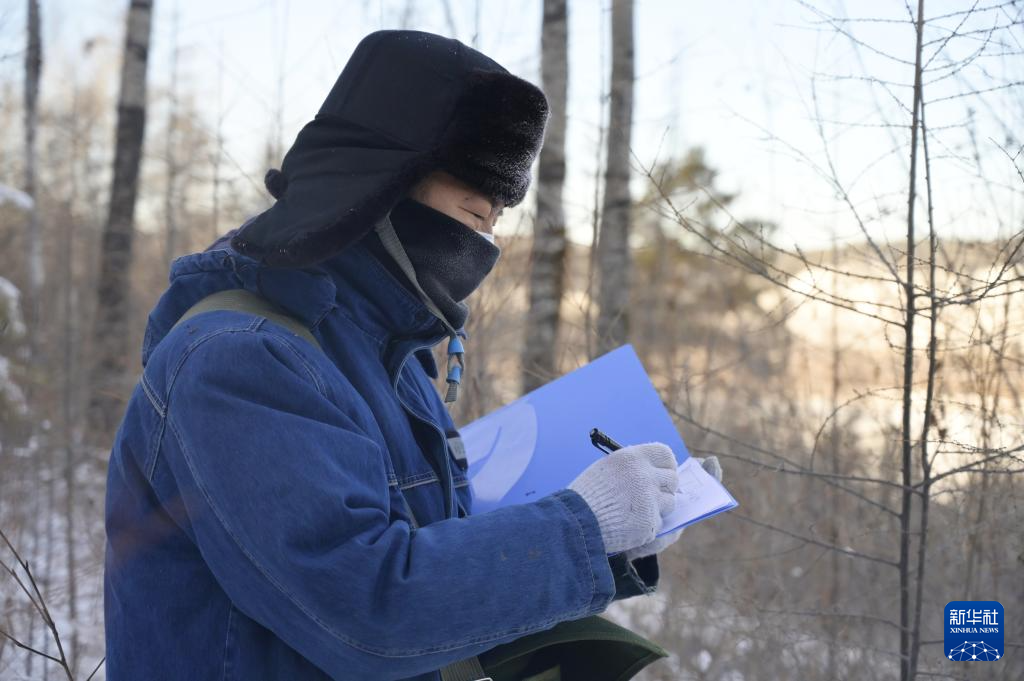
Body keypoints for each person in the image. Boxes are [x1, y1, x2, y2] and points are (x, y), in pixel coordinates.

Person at [103, 29, 719, 680]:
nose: (485, 244)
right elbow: (366, 608)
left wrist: (615, 539)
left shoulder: (392, 365)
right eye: (473, 216)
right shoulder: (240, 363)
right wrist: (581, 530)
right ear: (380, 189)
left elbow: (434, 562)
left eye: (492, 224)